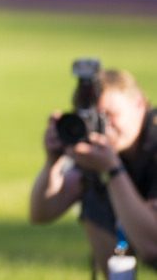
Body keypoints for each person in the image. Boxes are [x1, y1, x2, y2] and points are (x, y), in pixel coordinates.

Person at [30, 69, 157, 277]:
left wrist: (112, 171)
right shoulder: (103, 149)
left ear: (139, 103)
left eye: (109, 115)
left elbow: (152, 245)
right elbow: (42, 213)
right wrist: (53, 162)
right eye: (94, 119)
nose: (103, 128)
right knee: (93, 193)